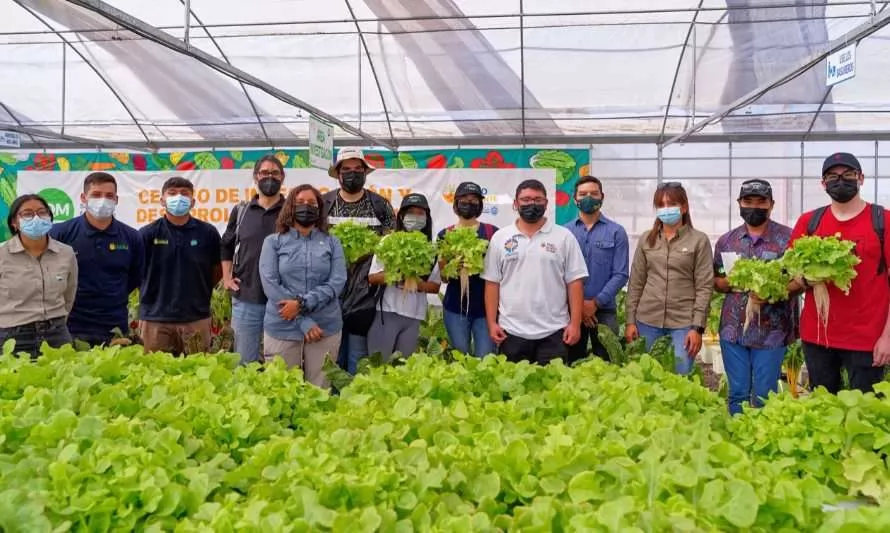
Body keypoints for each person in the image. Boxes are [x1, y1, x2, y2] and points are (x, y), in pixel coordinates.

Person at [787, 152, 890, 393]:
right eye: (832, 176)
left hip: (868, 339)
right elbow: (791, 271)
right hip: (818, 337)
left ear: (861, 178)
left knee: (865, 413)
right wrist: (806, 278)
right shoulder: (809, 222)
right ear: (823, 184)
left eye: (848, 175)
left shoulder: (882, 220)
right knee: (823, 410)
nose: (840, 181)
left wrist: (887, 336)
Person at [714, 179, 797, 415]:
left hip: (771, 331)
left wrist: (774, 292)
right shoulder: (726, 241)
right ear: (739, 203)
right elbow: (716, 280)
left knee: (764, 394)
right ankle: (737, 443)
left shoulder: (787, 239)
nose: (754, 207)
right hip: (733, 330)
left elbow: (800, 281)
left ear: (772, 205)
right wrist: (729, 283)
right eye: (748, 201)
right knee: (737, 393)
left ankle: (762, 442)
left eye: (761, 202)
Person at [482, 179, 587, 364]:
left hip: (554, 332)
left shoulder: (564, 237)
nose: (532, 204)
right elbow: (492, 283)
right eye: (526, 199)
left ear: (546, 203)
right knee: (513, 389)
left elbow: (575, 283)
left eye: (538, 200)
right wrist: (492, 323)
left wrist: (575, 324)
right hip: (511, 332)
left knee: (552, 390)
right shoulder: (500, 238)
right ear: (515, 204)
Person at [259, 185, 347, 387]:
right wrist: (303, 321)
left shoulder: (332, 242)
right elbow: (270, 284)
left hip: (324, 327)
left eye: (311, 204)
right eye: (300, 203)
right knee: (281, 389)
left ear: (319, 209)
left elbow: (337, 281)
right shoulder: (273, 242)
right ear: (290, 207)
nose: (305, 207)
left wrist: (302, 304)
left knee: (320, 389)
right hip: (282, 326)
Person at [320, 148, 397, 374]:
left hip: (366, 294)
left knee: (357, 354)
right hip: (329, 290)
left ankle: (354, 400)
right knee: (331, 354)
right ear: (339, 173)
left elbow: (390, 248)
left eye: (357, 169)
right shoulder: (324, 203)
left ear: (364, 172)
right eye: (347, 169)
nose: (352, 174)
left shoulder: (380, 206)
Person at [625, 182, 714, 375]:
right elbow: (636, 282)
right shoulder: (646, 239)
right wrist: (630, 321)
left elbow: (704, 286)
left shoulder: (698, 240)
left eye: (671, 204)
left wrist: (697, 328)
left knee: (679, 376)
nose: (666, 209)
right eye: (661, 205)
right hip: (647, 320)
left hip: (683, 323)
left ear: (684, 207)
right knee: (646, 377)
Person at [49, 172, 144, 346]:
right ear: (84, 198)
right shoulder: (60, 233)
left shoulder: (132, 237)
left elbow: (134, 277)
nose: (103, 200)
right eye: (96, 195)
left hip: (114, 326)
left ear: (116, 199)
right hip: (70, 325)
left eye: (109, 196)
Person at [139, 177, 222, 355]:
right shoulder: (147, 234)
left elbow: (217, 271)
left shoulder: (208, 233)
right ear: (162, 200)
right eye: (172, 193)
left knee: (198, 374)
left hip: (196, 318)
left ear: (193, 202)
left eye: (184, 194)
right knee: (153, 375)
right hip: (155, 319)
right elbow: (135, 271)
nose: (179, 197)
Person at [220, 155, 286, 364]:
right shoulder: (241, 211)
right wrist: (226, 277)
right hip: (247, 297)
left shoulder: (291, 212)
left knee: (280, 364)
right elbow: (226, 244)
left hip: (282, 301)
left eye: (275, 173)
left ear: (282, 178)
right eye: (264, 173)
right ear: (255, 177)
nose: (270, 177)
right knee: (244, 362)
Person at [0, 195, 77, 358]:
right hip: (13, 338)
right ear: (14, 222)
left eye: (42, 212)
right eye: (27, 214)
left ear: (49, 217)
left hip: (56, 335)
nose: (36, 218)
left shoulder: (66, 253)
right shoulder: (2, 254)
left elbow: (69, 294)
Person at [367, 193, 441, 360]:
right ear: (401, 216)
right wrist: (397, 275)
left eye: (420, 213)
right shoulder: (387, 241)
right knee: (379, 364)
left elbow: (435, 286)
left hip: (413, 317)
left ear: (427, 217)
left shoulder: (431, 249)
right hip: (386, 313)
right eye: (411, 212)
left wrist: (416, 282)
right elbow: (372, 278)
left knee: (403, 368)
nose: (415, 217)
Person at [564, 175, 629, 363]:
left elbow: (621, 273)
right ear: (574, 199)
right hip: (570, 311)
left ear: (602, 196)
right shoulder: (564, 232)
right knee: (570, 363)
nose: (588, 198)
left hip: (605, 310)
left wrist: (595, 303)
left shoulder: (616, 232)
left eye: (594, 193)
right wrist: (579, 306)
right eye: (583, 194)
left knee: (608, 363)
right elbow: (559, 273)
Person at [437, 182, 499, 357]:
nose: (468, 203)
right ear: (455, 203)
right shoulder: (444, 234)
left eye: (473, 200)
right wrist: (453, 267)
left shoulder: (492, 232)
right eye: (463, 199)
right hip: (455, 307)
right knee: (460, 356)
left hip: (485, 309)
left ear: (480, 204)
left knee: (486, 357)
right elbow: (443, 277)